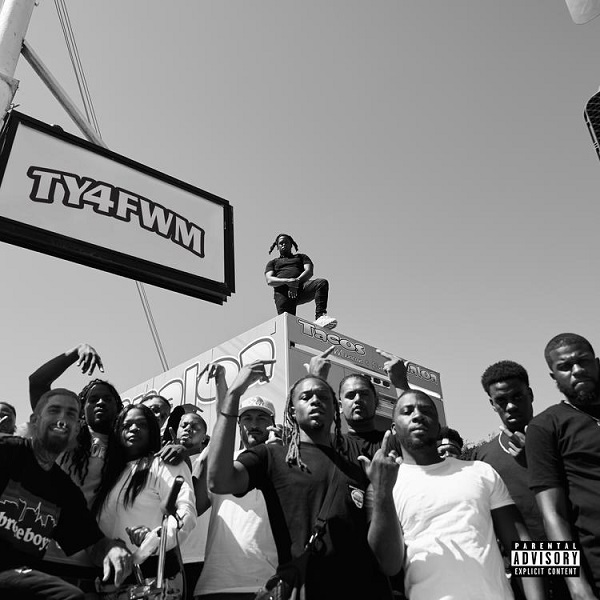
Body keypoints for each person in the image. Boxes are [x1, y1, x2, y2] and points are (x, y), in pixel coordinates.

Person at [207, 359, 396, 599]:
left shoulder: (358, 462)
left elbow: (387, 557)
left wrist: (383, 490)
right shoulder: (272, 456)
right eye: (306, 397)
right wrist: (234, 393)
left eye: (323, 397)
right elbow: (219, 481)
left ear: (335, 410)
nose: (315, 400)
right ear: (292, 411)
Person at [390, 389, 544, 600]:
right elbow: (388, 563)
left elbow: (519, 544)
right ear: (393, 428)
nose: (418, 416)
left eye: (426, 411)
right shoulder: (388, 484)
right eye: (407, 411)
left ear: (438, 425)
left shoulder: (480, 470)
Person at [0, 388, 132, 600]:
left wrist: (113, 549)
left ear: (77, 429)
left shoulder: (64, 492)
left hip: (18, 579)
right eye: (54, 410)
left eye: (71, 414)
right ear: (35, 420)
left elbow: (92, 542)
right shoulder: (6, 451)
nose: (62, 419)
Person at [475, 360, 566, 600]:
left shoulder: (560, 435)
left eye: (517, 396)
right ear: (492, 404)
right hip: (520, 565)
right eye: (501, 400)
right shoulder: (483, 456)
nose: (511, 406)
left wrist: (537, 457)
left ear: (531, 394)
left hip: (570, 552)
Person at [93, 404, 196, 599]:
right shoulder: (110, 474)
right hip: (109, 585)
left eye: (142, 425)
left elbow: (186, 513)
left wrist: (154, 538)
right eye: (127, 425)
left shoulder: (165, 463)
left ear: (153, 431)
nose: (133, 429)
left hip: (154, 581)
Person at [527, 333, 600, 599]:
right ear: (553, 376)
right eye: (565, 366)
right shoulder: (544, 427)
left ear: (597, 363)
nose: (577, 370)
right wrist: (577, 586)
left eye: (583, 361)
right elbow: (552, 514)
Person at [195, 385, 279, 600]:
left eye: (262, 418)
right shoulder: (222, 463)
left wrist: (281, 454)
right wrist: (207, 456)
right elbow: (196, 506)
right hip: (216, 585)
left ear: (273, 423)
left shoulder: (285, 461)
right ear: (238, 424)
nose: (254, 425)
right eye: (247, 418)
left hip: (271, 584)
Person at [264, 233, 337, 329]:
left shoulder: (301, 257)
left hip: (301, 288)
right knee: (288, 324)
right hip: (282, 293)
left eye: (286, 242)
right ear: (277, 247)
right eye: (281, 243)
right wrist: (288, 281)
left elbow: (309, 271)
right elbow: (269, 280)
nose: (283, 244)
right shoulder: (272, 263)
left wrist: (295, 283)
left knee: (321, 283)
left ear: (291, 245)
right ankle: (290, 337)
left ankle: (320, 317)